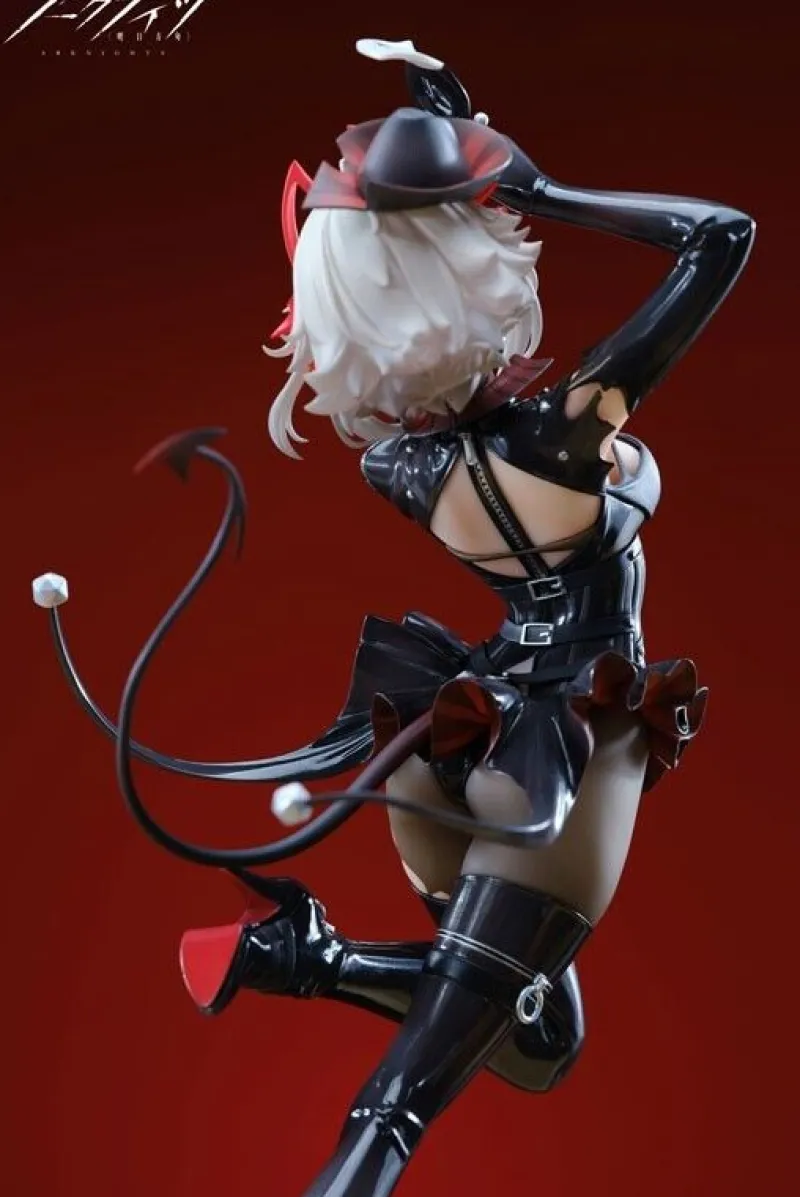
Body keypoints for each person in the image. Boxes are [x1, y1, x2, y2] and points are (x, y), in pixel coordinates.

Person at [33, 39, 755, 1197]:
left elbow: (441, 366)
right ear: (466, 269)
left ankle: (307, 955)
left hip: (458, 731)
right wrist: (534, 191)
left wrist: (445, 161)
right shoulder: (566, 437)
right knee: (397, 1104)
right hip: (558, 748)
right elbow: (719, 238)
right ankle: (308, 989)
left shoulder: (398, 466)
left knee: (540, 1039)